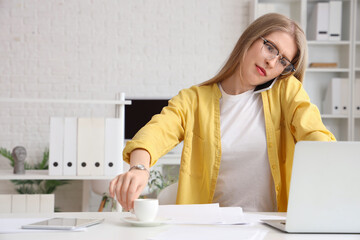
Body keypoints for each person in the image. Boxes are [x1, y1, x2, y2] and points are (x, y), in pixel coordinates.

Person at [109, 13, 335, 212]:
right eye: (270, 47)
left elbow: (313, 130)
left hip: (271, 226)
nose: (271, 61)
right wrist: (139, 168)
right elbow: (157, 131)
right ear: (251, 38)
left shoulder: (286, 92)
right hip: (210, 227)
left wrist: (333, 164)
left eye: (283, 60)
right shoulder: (194, 100)